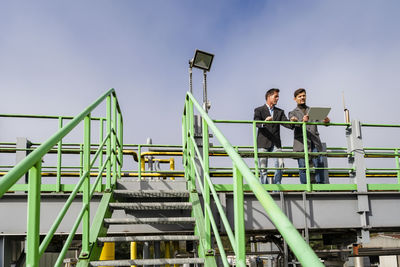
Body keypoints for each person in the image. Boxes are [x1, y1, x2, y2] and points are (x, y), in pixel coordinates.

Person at [289, 88, 330, 184]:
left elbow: (324, 123)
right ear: (295, 99)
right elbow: (292, 124)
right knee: (303, 166)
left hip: (314, 142)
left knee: (319, 164)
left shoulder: (312, 111)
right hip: (301, 143)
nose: (302, 97)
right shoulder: (292, 113)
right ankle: (305, 187)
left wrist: (326, 120)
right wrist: (301, 121)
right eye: (300, 96)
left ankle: (321, 187)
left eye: (304, 95)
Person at [253, 88, 291, 184]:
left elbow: (287, 124)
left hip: (276, 143)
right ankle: (265, 189)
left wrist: (293, 122)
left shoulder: (280, 112)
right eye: (276, 96)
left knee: (280, 164)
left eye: (278, 96)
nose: (277, 98)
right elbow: (256, 123)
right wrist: (264, 122)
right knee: (263, 168)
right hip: (263, 142)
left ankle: (276, 187)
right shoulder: (259, 110)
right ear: (269, 97)